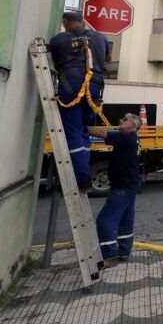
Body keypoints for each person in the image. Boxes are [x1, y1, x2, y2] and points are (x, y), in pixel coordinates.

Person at [49, 11, 111, 191]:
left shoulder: (59, 39)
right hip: (95, 85)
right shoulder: (101, 37)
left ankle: (82, 177)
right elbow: (108, 59)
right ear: (82, 22)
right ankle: (83, 173)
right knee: (83, 129)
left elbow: (56, 62)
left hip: (71, 84)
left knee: (73, 130)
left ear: (65, 23)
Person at [88, 113, 142, 267]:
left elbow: (101, 133)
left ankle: (109, 256)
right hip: (130, 184)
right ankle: (123, 252)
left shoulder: (126, 137)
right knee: (126, 219)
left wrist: (78, 126)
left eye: (125, 119)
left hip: (122, 186)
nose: (120, 120)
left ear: (133, 125)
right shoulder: (133, 138)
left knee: (105, 220)